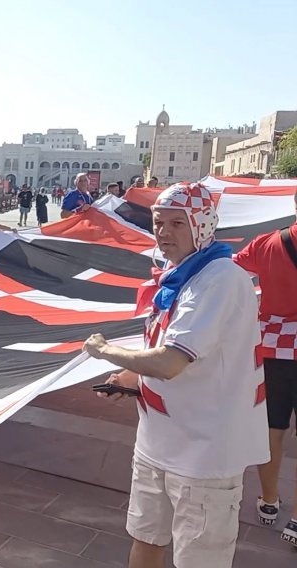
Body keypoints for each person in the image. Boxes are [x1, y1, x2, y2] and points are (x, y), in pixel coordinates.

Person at [83, 182, 269, 568]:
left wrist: (104, 351)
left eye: (176, 224)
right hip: (160, 442)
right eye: (158, 222)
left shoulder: (219, 279)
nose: (164, 232)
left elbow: (170, 363)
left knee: (199, 559)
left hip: (204, 454)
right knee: (146, 537)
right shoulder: (179, 274)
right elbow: (175, 354)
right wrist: (130, 377)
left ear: (203, 225)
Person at [235, 188, 297, 546]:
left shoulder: (267, 243)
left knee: (272, 430)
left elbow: (231, 269)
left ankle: (269, 500)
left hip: (273, 350)